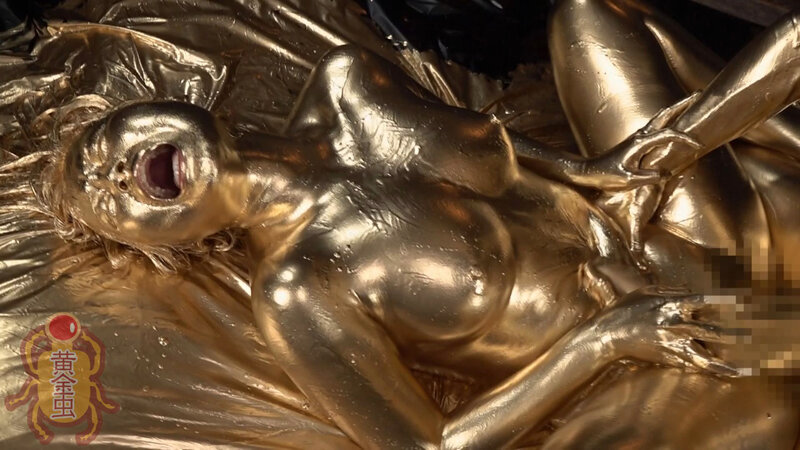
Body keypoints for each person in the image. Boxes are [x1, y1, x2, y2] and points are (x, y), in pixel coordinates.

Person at [39, 1, 800, 449]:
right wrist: (607, 339)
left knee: (587, 16)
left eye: (104, 146)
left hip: (664, 227)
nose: (114, 174)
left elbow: (507, 162)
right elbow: (432, 444)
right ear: (172, 242)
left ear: (161, 106)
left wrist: (604, 171)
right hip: (657, 350)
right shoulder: (299, 291)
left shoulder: (347, 83)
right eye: (108, 199)